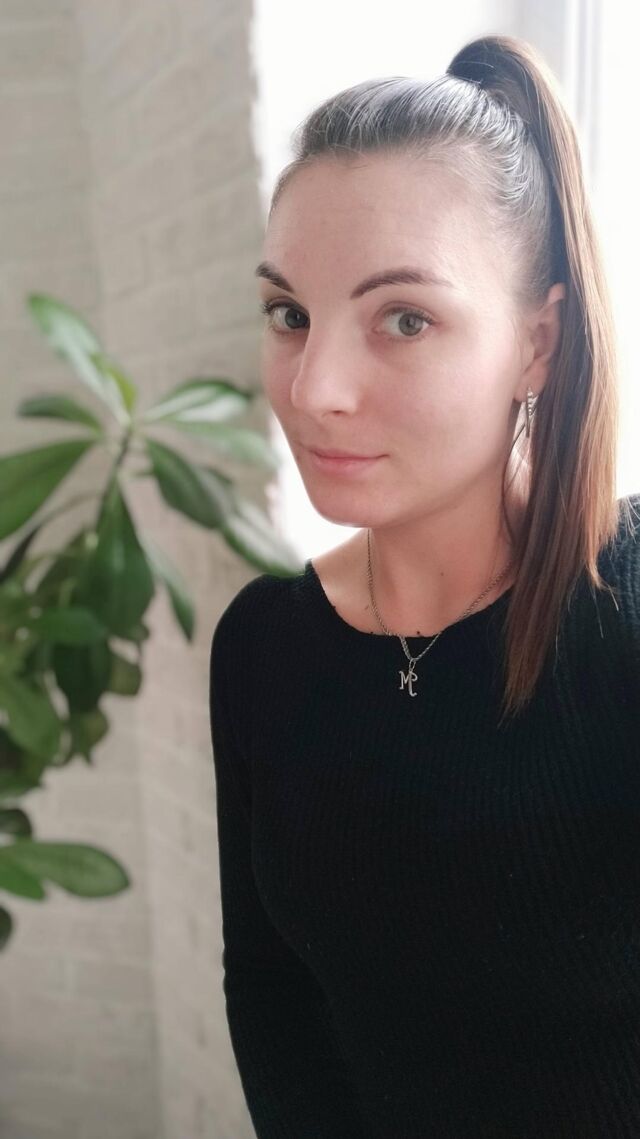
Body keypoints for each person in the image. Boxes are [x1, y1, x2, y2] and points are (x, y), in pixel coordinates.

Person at [209, 33, 640, 1139]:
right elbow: (273, 992)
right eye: (289, 313)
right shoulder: (261, 648)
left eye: (405, 318)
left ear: (538, 343)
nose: (315, 389)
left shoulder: (626, 619)